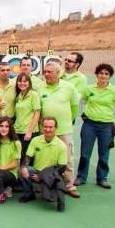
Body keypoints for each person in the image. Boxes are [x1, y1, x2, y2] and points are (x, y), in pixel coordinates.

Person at [76, 63, 115, 189]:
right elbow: (82, 101)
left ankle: (102, 178)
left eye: (106, 74)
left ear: (110, 76)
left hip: (107, 126)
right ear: (97, 75)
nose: (103, 76)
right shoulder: (89, 89)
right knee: (85, 153)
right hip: (89, 124)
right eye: (101, 73)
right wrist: (84, 113)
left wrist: (108, 112)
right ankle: (81, 177)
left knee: (104, 153)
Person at [40, 61, 80, 198]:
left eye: (49, 72)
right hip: (45, 130)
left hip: (63, 129)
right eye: (45, 72)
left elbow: (75, 107)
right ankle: (47, 184)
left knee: (67, 159)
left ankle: (69, 185)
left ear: (58, 73)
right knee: (46, 158)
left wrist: (67, 121)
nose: (46, 74)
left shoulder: (69, 87)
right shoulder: (40, 87)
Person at [19, 117, 67, 212]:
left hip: (51, 173)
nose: (47, 129)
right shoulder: (35, 140)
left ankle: (59, 201)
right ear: (41, 127)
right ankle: (29, 194)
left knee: (58, 182)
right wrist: (24, 167)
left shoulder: (62, 146)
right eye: (45, 127)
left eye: (50, 127)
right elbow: (28, 158)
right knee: (22, 170)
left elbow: (62, 168)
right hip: (36, 171)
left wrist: (42, 176)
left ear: (56, 128)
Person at [14, 73, 41, 160]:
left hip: (29, 133)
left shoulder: (33, 95)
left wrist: (29, 132)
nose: (22, 83)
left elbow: (37, 114)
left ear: (29, 83)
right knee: (19, 157)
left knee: (27, 159)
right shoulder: (18, 96)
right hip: (18, 131)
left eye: (25, 81)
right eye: (20, 81)